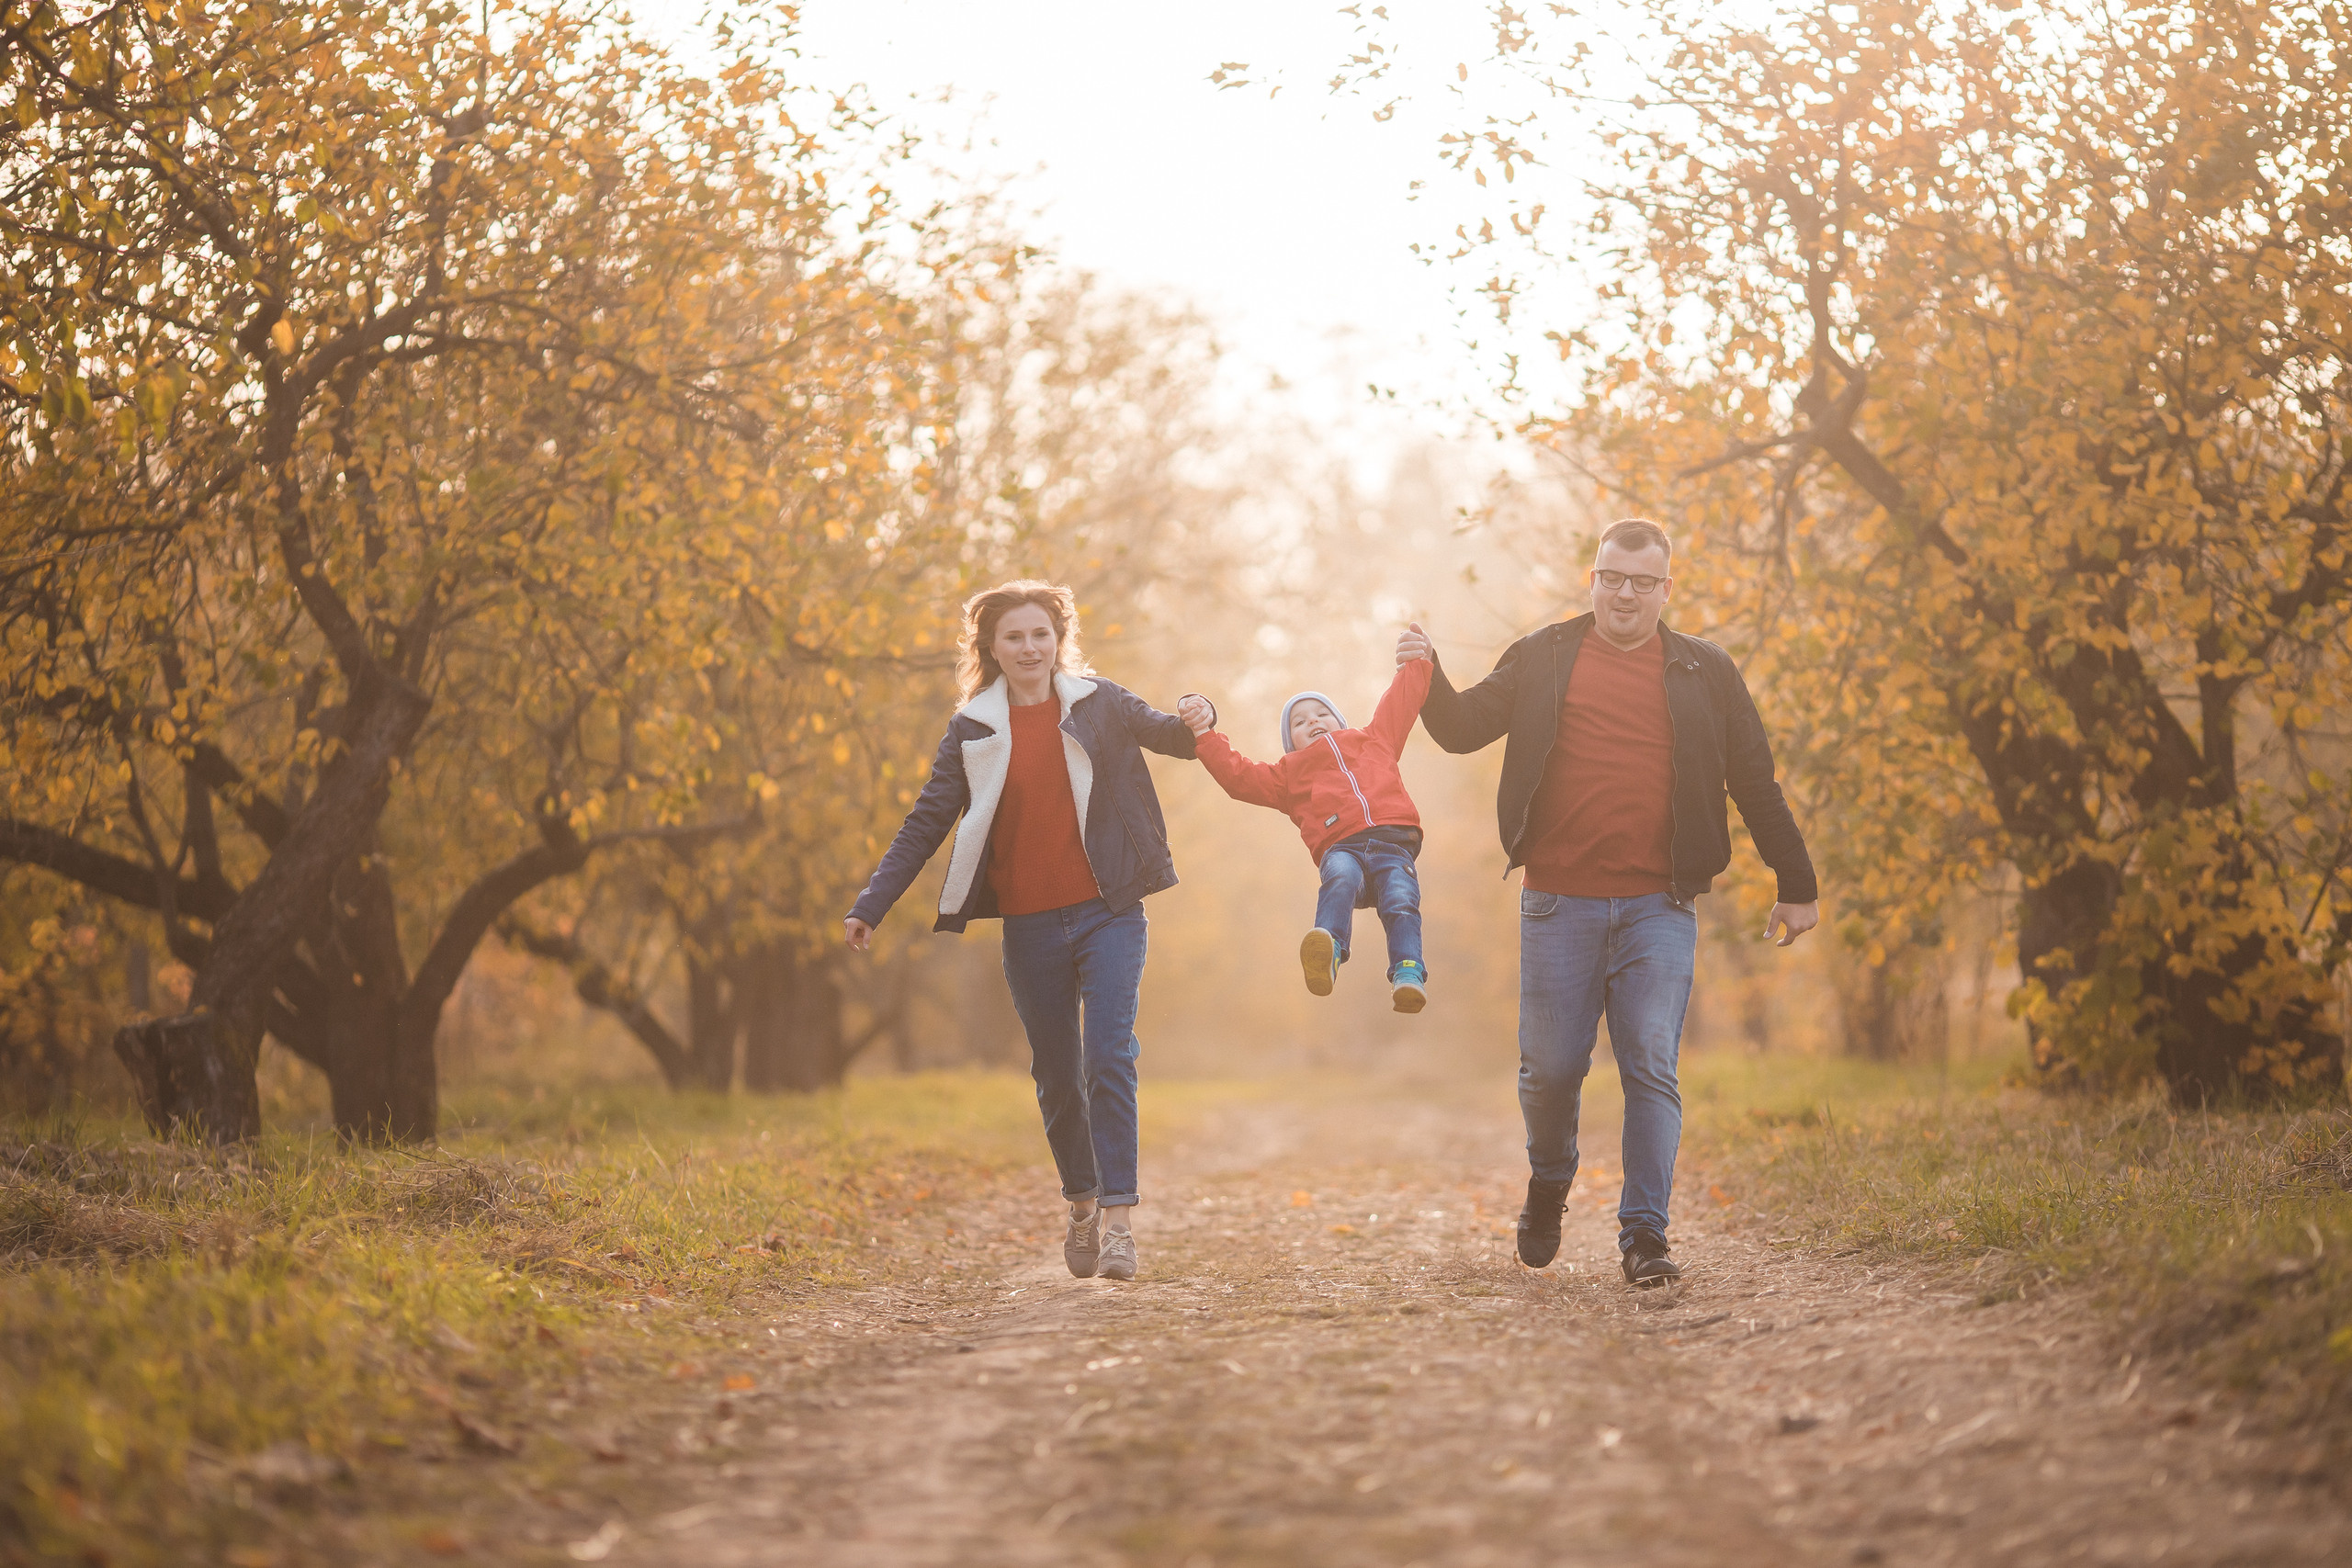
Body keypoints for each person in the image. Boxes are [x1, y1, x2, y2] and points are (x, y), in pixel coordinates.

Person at [1401, 518, 1819, 1287]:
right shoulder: (1542, 655)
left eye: (1642, 581)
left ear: (1666, 588)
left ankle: (1644, 1236)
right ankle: (1551, 1177)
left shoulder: (1706, 672)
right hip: (1558, 904)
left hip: (1660, 906)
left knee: (1651, 1066)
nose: (1625, 593)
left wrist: (1796, 884)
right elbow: (1462, 731)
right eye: (1612, 578)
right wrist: (1427, 672)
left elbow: (1755, 781)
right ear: (1592, 580)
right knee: (1551, 1071)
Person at [842, 580, 1203, 1283]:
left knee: (1109, 1054)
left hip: (1110, 910)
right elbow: (926, 821)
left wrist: (1202, 711)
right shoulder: (973, 728)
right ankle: (1082, 1202)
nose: (1030, 647)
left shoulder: (1101, 703)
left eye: (1041, 633)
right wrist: (872, 902)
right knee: (1056, 1074)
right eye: (1015, 636)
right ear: (992, 648)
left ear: (1058, 638)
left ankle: (1122, 1223)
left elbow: (1176, 738)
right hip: (1031, 925)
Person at [1176, 653, 1433, 1012]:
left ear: (1339, 722)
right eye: (1299, 721)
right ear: (1290, 742)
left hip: (1394, 845)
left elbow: (1401, 702)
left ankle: (1408, 973)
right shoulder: (1288, 775)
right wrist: (1204, 734)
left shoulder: (1374, 740)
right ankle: (1328, 950)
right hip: (1342, 848)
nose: (1313, 720)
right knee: (1340, 878)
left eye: (1321, 713)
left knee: (1401, 901)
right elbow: (1239, 777)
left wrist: (1418, 660)